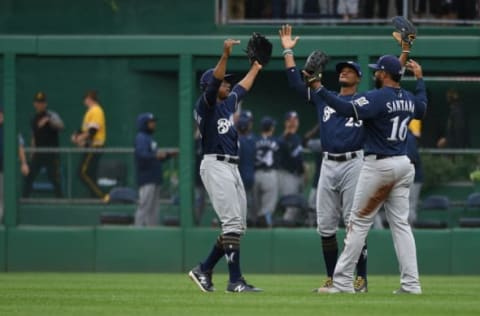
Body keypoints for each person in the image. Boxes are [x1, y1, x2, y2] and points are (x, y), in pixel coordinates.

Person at [315, 55, 427, 294]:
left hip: (380, 166)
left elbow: (345, 108)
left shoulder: (377, 97)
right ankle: (411, 284)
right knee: (401, 226)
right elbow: (422, 108)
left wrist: (318, 88)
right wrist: (419, 80)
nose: (375, 73)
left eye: (378, 71)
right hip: (404, 164)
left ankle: (343, 282)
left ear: (384, 74)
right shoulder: (407, 97)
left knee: (357, 223)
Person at [279, 24, 368, 292]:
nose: (344, 72)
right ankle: (332, 277)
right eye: (341, 69)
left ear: (359, 78)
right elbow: (296, 82)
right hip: (328, 164)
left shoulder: (365, 101)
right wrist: (287, 51)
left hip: (355, 163)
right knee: (326, 227)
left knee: (355, 225)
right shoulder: (323, 97)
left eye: (350, 70)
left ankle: (359, 278)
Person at [188, 39, 263, 293]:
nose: (227, 82)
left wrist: (256, 67)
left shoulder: (225, 105)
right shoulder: (206, 105)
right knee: (231, 223)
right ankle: (235, 281)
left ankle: (204, 269)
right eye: (222, 80)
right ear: (210, 86)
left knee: (237, 226)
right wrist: (225, 55)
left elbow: (242, 88)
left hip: (231, 167)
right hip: (215, 164)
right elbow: (216, 82)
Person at [134, 113, 177, 226]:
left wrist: (167, 155)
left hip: (154, 177)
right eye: (150, 122)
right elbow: (142, 155)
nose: (153, 124)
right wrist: (157, 155)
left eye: (153, 122)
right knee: (145, 206)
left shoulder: (149, 138)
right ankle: (137, 230)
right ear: (144, 124)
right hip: (147, 177)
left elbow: (155, 157)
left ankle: (152, 231)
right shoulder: (141, 137)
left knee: (154, 208)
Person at [23, 92, 64, 198]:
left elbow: (61, 127)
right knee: (29, 176)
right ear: (34, 104)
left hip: (51, 153)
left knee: (54, 178)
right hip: (39, 153)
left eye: (42, 102)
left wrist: (50, 121)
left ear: (45, 104)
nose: (40, 105)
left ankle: (60, 201)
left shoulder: (52, 115)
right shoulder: (34, 119)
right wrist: (32, 152)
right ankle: (24, 199)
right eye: (38, 102)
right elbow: (33, 136)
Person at [71, 90, 109, 201]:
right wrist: (76, 136)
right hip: (90, 147)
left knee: (82, 172)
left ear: (89, 99)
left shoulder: (96, 110)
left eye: (85, 99)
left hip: (95, 147)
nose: (84, 102)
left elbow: (92, 131)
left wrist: (79, 139)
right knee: (90, 173)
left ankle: (101, 195)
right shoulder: (90, 112)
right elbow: (84, 129)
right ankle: (95, 196)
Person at [0, 109, 30, 223]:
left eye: (1, 115)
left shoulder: (11, 129)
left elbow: (20, 147)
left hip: (4, 169)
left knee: (3, 198)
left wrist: (24, 163)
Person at [277, 111, 305, 224]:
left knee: (297, 205)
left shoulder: (296, 137)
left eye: (295, 120)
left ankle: (292, 224)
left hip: (298, 175)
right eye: (290, 120)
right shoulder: (284, 137)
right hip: (287, 175)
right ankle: (286, 226)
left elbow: (299, 157)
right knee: (290, 204)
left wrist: (304, 170)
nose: (293, 122)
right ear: (286, 122)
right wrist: (287, 133)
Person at [254, 116, 279, 227]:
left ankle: (255, 226)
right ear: (271, 128)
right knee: (268, 207)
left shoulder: (254, 140)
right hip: (269, 174)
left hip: (256, 174)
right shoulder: (275, 141)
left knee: (255, 205)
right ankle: (265, 226)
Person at [237, 110, 256, 224]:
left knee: (240, 201)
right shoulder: (252, 141)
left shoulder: (237, 141)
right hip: (250, 174)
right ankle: (250, 221)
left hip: (240, 174)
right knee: (249, 200)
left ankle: (243, 221)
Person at [406, 120, 424, 225]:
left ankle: (411, 231)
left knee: (410, 205)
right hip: (409, 176)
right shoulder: (406, 136)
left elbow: (412, 158)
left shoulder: (409, 137)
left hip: (414, 177)